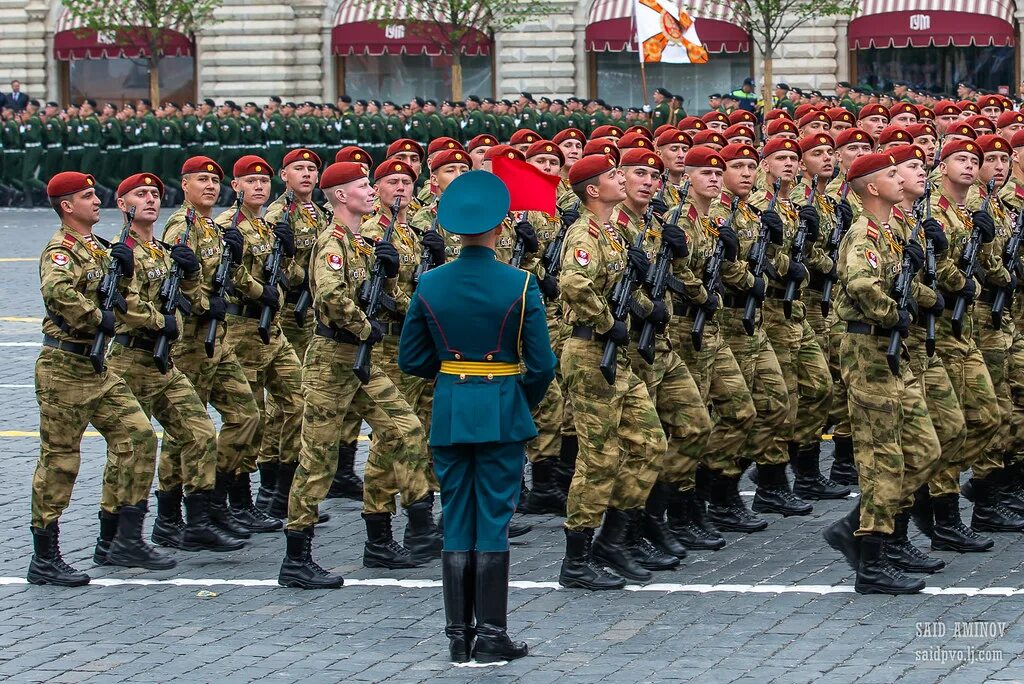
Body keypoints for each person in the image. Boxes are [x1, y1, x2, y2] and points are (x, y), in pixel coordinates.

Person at [398, 170, 557, 662]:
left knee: (458, 516)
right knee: (493, 518)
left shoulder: (430, 282)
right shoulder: (520, 282)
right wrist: (516, 397)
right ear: (500, 227)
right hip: (501, 407)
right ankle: (490, 634)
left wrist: (451, 375)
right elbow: (543, 364)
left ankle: (457, 637)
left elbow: (411, 359)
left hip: (451, 408)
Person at [29, 172, 159, 586]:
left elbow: (115, 296)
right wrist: (98, 317)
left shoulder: (97, 248)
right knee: (60, 460)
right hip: (64, 368)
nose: (96, 201)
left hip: (97, 366)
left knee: (138, 436)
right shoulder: (61, 249)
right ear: (67, 206)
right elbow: (59, 294)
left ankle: (119, 537)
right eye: (87, 196)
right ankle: (44, 555)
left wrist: (119, 275)